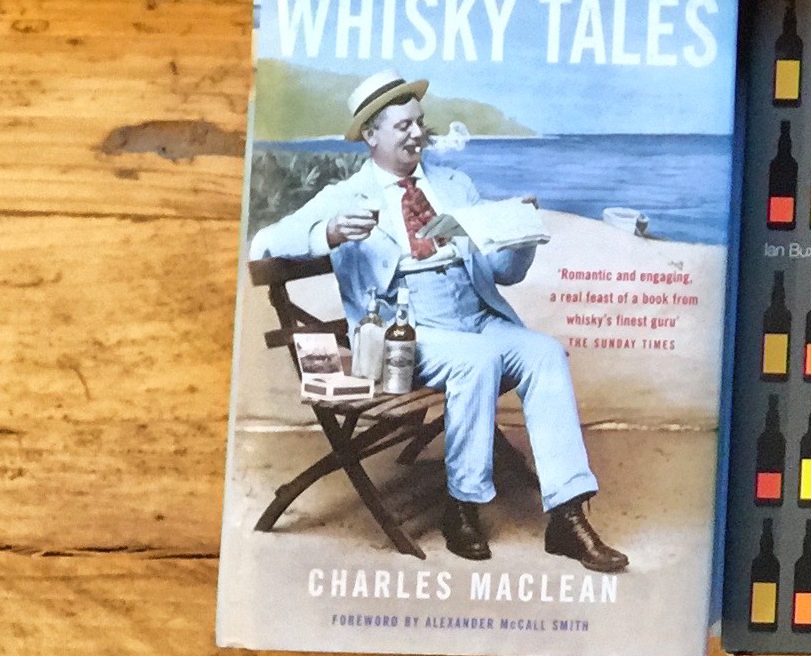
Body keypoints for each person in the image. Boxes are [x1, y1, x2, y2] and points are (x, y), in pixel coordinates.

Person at [248, 73, 626, 572]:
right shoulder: (346, 195)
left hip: (476, 314)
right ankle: (462, 506)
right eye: (403, 125)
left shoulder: (454, 186)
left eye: (420, 123)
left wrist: (519, 235)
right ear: (371, 135)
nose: (417, 134)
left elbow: (502, 274)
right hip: (406, 332)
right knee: (477, 361)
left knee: (545, 353)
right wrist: (329, 232)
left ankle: (568, 516)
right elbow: (264, 244)